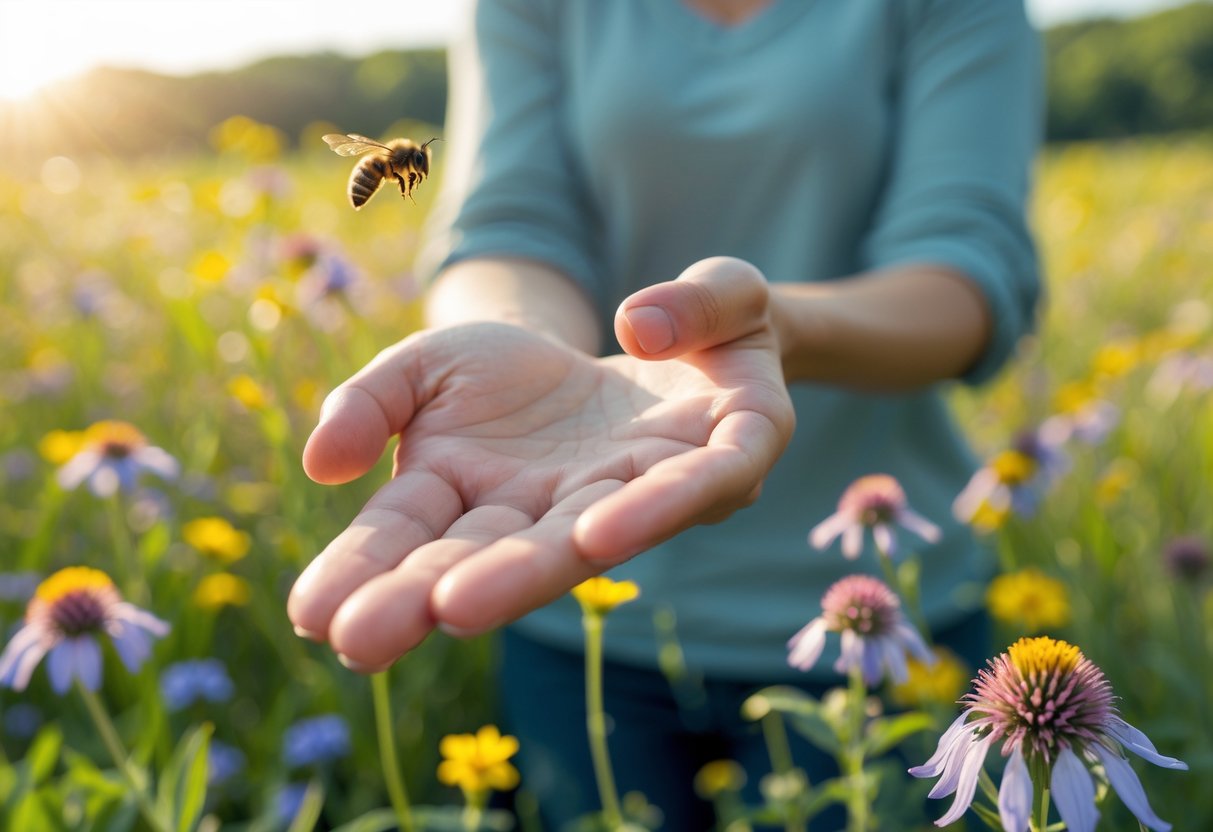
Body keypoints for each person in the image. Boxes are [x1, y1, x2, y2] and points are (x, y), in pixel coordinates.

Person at [287, 0, 1043, 828]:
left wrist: (776, 327)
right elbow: (510, 223)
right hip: (579, 613)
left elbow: (964, 270)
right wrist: (515, 345)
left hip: (883, 630)